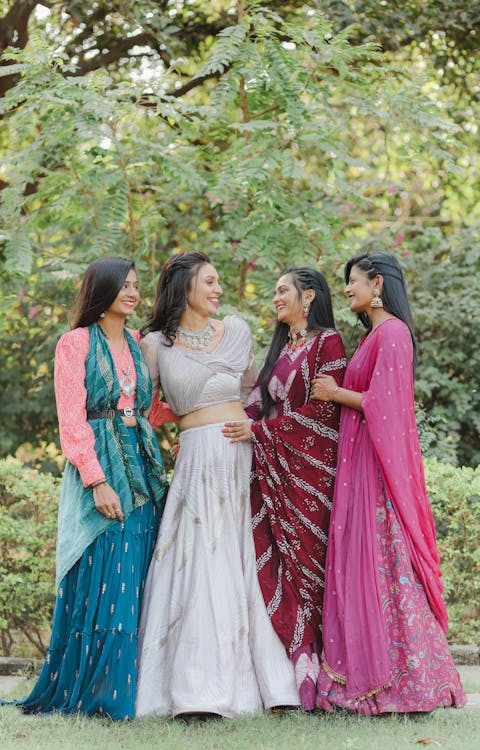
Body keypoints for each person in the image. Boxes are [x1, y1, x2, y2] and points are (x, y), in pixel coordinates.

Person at [136, 251, 299, 719]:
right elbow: (145, 409)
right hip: (195, 461)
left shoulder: (237, 330)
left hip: (239, 457)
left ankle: (273, 686)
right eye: (209, 281)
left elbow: (255, 395)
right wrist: (181, 430)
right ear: (184, 286)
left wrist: (262, 434)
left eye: (218, 281)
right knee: (198, 562)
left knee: (244, 557)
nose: (218, 289)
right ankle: (197, 691)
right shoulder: (155, 345)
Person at [10, 256, 168, 719]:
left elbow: (150, 409)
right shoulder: (75, 342)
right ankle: (99, 694)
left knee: (133, 576)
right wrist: (96, 480)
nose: (133, 293)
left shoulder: (137, 342)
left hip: (140, 465)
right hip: (97, 465)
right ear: (102, 290)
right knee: (103, 572)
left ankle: (131, 690)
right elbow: (71, 417)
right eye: (124, 285)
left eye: (136, 285)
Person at [311, 251, 466, 715]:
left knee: (386, 563)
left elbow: (387, 405)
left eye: (353, 281)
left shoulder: (393, 333)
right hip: (359, 460)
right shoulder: (374, 336)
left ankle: (408, 681)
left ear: (377, 284)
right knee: (370, 565)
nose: (347, 289)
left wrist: (335, 393)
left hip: (376, 470)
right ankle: (373, 674)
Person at [222, 267, 346, 709]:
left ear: (308, 296)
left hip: (312, 476)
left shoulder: (328, 343)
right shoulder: (280, 349)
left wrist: (261, 432)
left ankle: (330, 674)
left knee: (312, 569)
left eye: (282, 291)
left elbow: (325, 413)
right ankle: (296, 674)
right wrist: (214, 428)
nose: (276, 298)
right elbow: (256, 404)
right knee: (281, 569)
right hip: (274, 474)